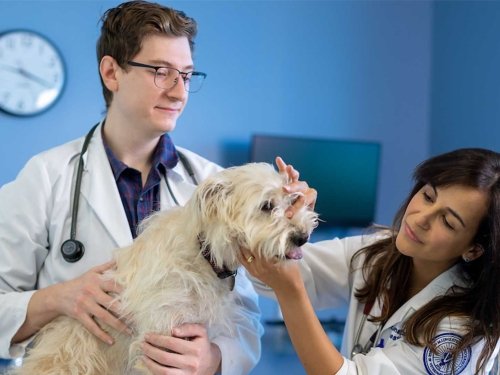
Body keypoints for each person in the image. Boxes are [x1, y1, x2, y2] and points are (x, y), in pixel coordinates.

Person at [0, 1, 267, 374]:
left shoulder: (214, 187)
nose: (179, 92)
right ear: (111, 72)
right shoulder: (46, 176)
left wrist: (215, 358)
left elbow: (245, 320)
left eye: (187, 76)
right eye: (161, 72)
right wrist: (55, 299)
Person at [242, 148, 500, 374]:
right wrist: (282, 219)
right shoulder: (376, 253)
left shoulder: (461, 333)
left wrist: (291, 291)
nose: (421, 218)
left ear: (475, 249)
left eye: (447, 221)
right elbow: (264, 279)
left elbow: (286, 283)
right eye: (428, 196)